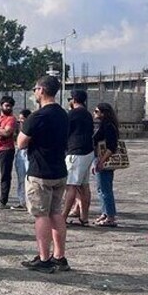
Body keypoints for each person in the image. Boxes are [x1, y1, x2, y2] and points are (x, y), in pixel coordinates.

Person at [17, 75, 70, 274]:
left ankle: (44, 258)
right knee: (56, 213)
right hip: (59, 169)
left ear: (41, 90)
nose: (34, 93)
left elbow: (21, 143)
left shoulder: (37, 116)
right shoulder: (63, 114)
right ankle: (60, 256)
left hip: (40, 171)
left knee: (41, 215)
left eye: (35, 89)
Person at [62, 90, 94, 226]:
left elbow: (65, 132)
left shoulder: (72, 114)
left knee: (71, 186)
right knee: (84, 185)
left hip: (76, 152)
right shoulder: (87, 114)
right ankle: (84, 217)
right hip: (88, 151)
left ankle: (62, 217)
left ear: (73, 100)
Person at [92, 102, 120, 228]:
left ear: (103, 113)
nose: (95, 113)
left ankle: (110, 216)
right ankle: (105, 212)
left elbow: (111, 147)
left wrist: (101, 161)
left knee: (105, 188)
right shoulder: (104, 125)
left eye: (97, 111)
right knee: (100, 188)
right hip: (100, 158)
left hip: (104, 160)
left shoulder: (108, 126)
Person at [13, 109, 32, 210]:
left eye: (22, 119)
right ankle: (22, 201)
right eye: (19, 119)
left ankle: (30, 202)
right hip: (20, 153)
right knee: (21, 178)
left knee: (29, 178)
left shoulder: (31, 128)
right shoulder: (19, 128)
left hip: (28, 152)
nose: (20, 121)